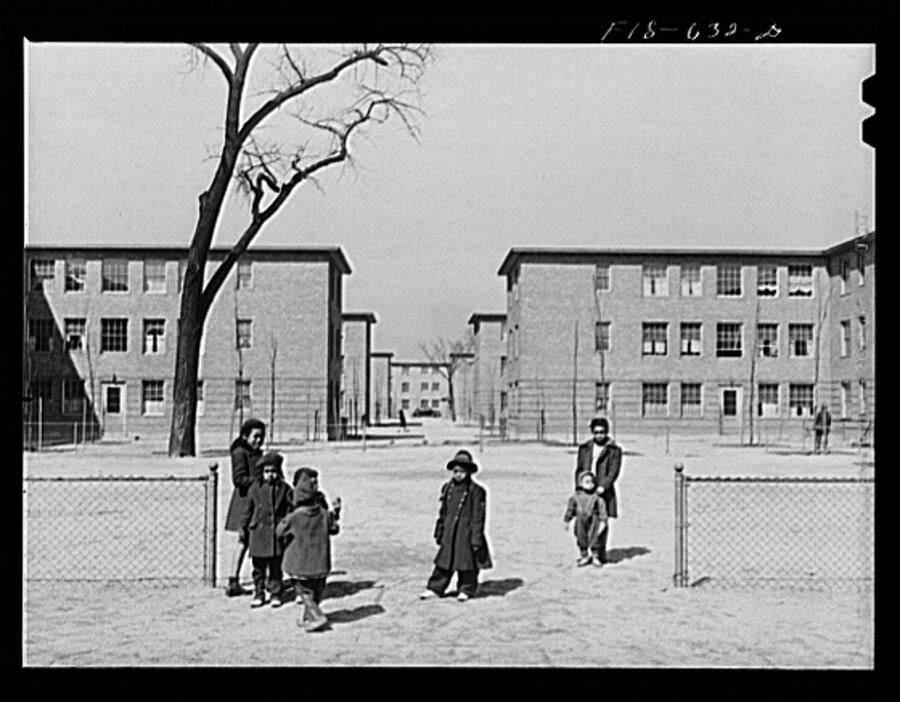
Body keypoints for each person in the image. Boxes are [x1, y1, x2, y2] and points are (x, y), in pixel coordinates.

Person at [420, 449, 492, 602]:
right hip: (450, 531)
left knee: (467, 563)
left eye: (462, 471)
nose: (458, 474)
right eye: (455, 471)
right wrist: (439, 530)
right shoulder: (448, 488)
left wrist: (476, 538)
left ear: (469, 472)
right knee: (444, 561)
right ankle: (435, 588)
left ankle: (466, 588)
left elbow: (478, 517)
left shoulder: (476, 491)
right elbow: (443, 512)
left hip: (466, 532)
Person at [277, 468, 341, 632]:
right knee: (317, 590)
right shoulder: (324, 514)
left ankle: (317, 615)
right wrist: (336, 513)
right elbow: (334, 529)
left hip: (300, 564)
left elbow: (279, 532)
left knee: (304, 592)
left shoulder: (295, 516)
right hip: (321, 563)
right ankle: (308, 617)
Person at [240, 451, 293, 608]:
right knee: (258, 568)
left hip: (276, 534)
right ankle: (259, 592)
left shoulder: (284, 489)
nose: (271, 475)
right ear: (261, 473)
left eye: (274, 471)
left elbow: (289, 510)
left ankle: (276, 593)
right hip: (259, 533)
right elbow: (248, 509)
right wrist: (243, 527)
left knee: (275, 567)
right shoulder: (254, 489)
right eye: (267, 471)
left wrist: (287, 526)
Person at [223, 418, 266, 597]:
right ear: (245, 436)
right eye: (255, 437)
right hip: (244, 502)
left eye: (261, 437)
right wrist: (259, 481)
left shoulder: (259, 454)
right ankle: (233, 580)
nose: (258, 440)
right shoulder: (239, 453)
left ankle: (262, 579)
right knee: (243, 541)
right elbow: (238, 479)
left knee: (254, 541)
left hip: (258, 501)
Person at [574, 415, 622, 565]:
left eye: (601, 432)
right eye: (595, 432)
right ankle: (584, 553)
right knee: (582, 523)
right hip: (586, 490)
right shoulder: (585, 448)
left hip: (602, 491)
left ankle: (599, 554)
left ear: (606, 432)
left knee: (601, 522)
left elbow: (614, 471)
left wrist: (603, 486)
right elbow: (579, 469)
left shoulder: (614, 450)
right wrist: (579, 486)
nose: (598, 435)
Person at [563, 471, 609, 567]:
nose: (589, 484)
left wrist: (603, 521)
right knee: (581, 537)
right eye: (586, 482)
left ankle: (595, 556)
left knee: (594, 538)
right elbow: (570, 509)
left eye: (591, 481)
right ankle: (584, 556)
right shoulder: (576, 497)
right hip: (580, 520)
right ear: (581, 483)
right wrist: (567, 520)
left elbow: (602, 509)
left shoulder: (596, 497)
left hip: (594, 520)